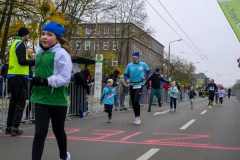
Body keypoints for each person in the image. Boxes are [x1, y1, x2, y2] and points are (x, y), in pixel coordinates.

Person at [30, 22, 72, 160]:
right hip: (41, 99)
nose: (44, 37)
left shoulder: (62, 54)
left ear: (58, 39)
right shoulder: (39, 52)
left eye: (49, 34)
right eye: (43, 34)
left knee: (58, 131)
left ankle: (63, 156)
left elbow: (65, 78)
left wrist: (44, 81)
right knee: (40, 133)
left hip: (57, 100)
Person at [5, 27, 35, 136]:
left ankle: (9, 126)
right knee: (21, 102)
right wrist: (34, 61)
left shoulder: (14, 43)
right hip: (20, 76)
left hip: (12, 75)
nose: (28, 36)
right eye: (28, 34)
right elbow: (22, 61)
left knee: (13, 102)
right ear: (25, 34)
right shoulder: (21, 43)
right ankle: (15, 127)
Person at [124, 52, 150, 125]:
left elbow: (148, 71)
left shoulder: (143, 64)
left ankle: (138, 117)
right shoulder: (129, 65)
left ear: (138, 57)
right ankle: (136, 117)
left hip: (140, 84)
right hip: (132, 84)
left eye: (135, 55)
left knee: (136, 100)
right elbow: (125, 74)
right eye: (132, 55)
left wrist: (146, 77)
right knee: (133, 102)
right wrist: (126, 79)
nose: (133, 56)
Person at [25, 49, 34, 120]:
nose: (32, 54)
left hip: (32, 81)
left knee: (32, 100)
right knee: (30, 100)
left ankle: (31, 116)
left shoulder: (33, 60)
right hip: (29, 81)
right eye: (31, 53)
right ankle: (27, 115)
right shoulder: (27, 61)